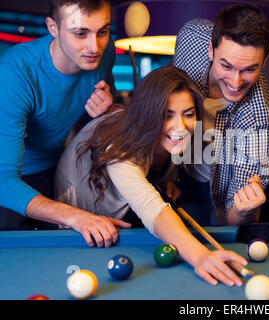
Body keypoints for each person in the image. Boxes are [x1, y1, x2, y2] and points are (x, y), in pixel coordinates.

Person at [54, 66, 248, 286]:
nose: (181, 127)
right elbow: (151, 208)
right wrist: (200, 256)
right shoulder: (119, 151)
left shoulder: (156, 135)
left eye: (189, 114)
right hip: (76, 226)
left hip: (116, 210)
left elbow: (158, 157)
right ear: (149, 115)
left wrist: (164, 178)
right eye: (167, 115)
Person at [0, 0, 131, 243]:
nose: (95, 46)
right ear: (53, 28)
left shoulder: (106, 51)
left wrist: (108, 107)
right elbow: (3, 180)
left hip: (60, 167)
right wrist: (76, 217)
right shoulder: (15, 73)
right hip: (13, 182)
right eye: (80, 33)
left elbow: (107, 104)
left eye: (102, 31)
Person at [173, 4, 269, 226]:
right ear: (210, 49)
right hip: (170, 172)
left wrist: (245, 211)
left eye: (249, 69)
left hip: (213, 190)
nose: (235, 82)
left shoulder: (258, 118)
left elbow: (234, 215)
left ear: (265, 61)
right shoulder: (191, 38)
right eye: (226, 66)